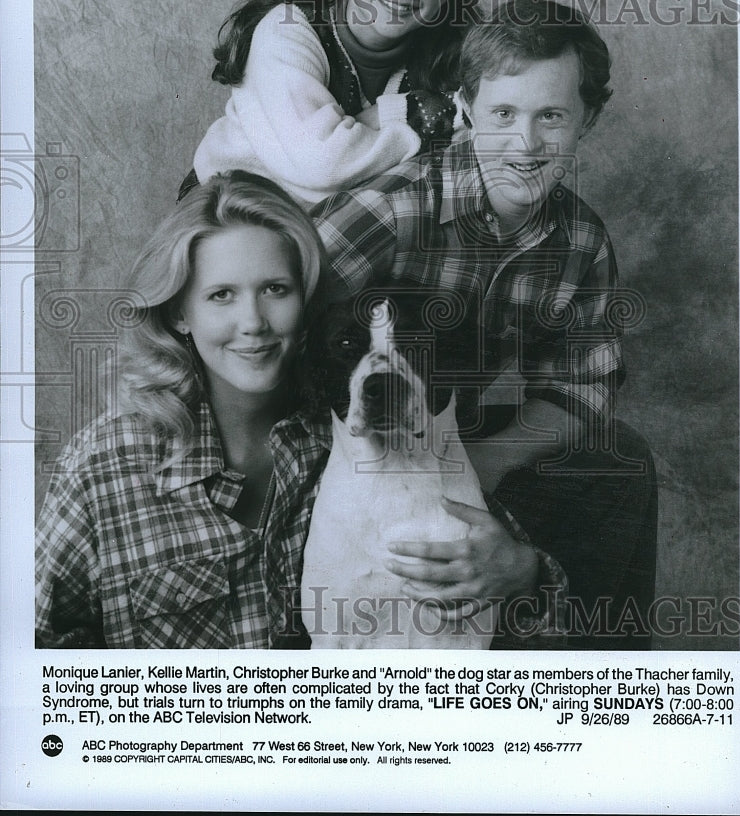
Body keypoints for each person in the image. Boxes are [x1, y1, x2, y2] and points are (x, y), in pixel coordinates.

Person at [35, 172, 564, 649]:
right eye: (221, 295)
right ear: (179, 313)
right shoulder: (107, 463)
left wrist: (525, 573)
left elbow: (498, 564)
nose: (254, 322)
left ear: (307, 310)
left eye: (275, 289)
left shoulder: (353, 432)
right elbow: (34, 656)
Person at [312, 0, 658, 648]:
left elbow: (580, 384)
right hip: (346, 439)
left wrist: (486, 462)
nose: (524, 145)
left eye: (550, 116)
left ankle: (596, 681)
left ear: (588, 119)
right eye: (502, 114)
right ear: (465, 110)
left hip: (451, 430)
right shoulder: (387, 208)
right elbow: (276, 324)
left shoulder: (578, 240)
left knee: (622, 462)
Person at [188, 0, 483, 205]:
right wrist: (413, 111)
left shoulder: (449, 52)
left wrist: (363, 136)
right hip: (230, 215)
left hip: (335, 225)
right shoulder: (288, 29)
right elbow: (322, 165)